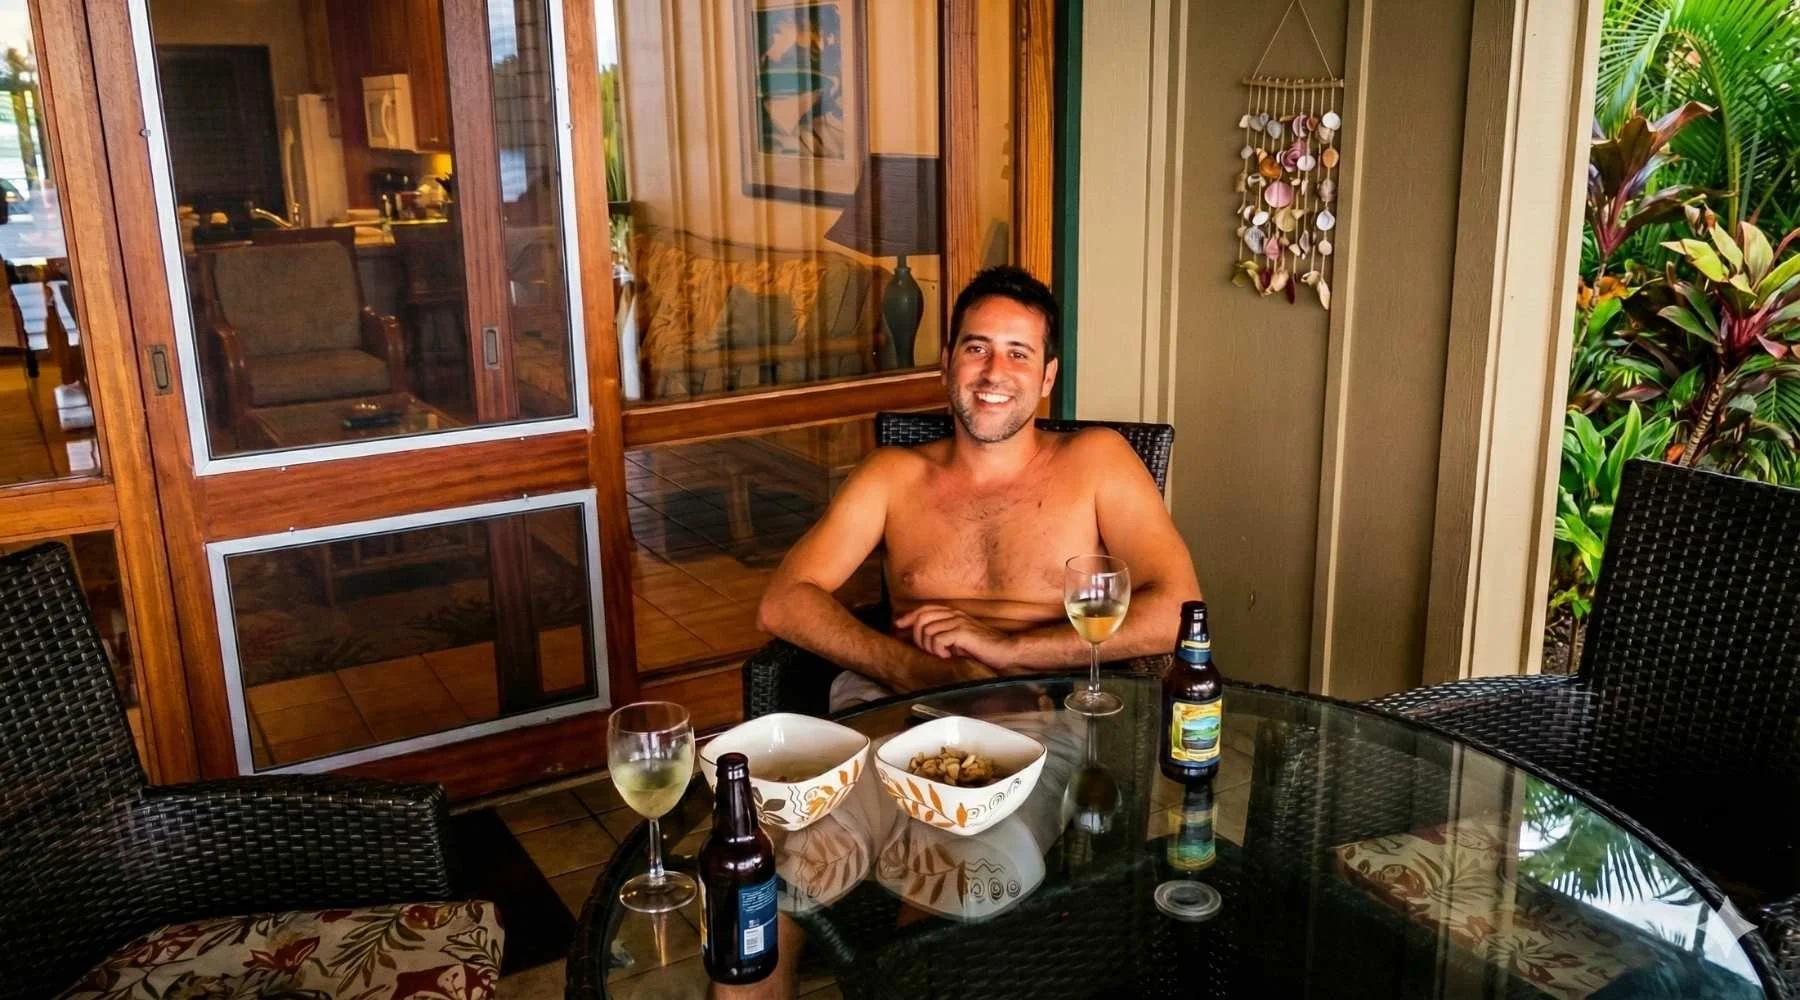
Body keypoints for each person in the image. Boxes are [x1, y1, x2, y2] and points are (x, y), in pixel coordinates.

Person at [757, 265, 1203, 710]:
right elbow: (782, 602)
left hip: (1050, 706)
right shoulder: (891, 475)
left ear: (1047, 377)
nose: (994, 373)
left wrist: (1011, 651)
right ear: (947, 362)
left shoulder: (1097, 461)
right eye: (977, 348)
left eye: (1019, 353)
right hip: (905, 701)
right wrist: (916, 671)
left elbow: (1177, 612)